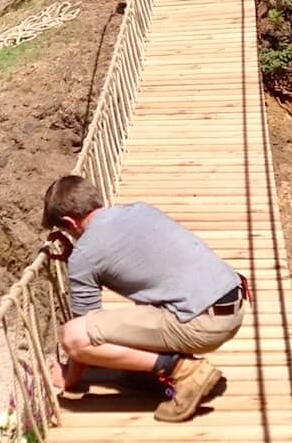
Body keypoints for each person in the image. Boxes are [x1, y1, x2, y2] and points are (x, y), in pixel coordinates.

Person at [42, 173, 247, 423]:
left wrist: (68, 379)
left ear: (69, 222)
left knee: (73, 335)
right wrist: (80, 256)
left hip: (203, 324)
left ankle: (185, 371)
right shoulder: (140, 210)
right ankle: (161, 371)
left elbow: (85, 331)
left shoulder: (85, 256)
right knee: (128, 369)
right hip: (231, 304)